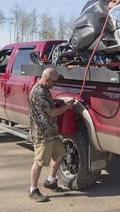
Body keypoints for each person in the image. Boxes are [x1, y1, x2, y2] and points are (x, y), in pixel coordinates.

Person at [28, 67, 76, 202]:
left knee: (60, 153)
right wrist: (67, 107)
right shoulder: (38, 93)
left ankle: (50, 181)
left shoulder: (45, 89)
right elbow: (53, 113)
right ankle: (33, 189)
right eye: (54, 82)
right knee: (39, 162)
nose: (56, 84)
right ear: (46, 79)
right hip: (42, 134)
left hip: (52, 132)